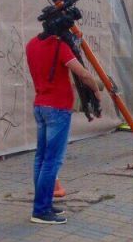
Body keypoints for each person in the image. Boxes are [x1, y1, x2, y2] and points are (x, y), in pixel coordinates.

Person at [25, 24, 101, 225]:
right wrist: (96, 90)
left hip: (40, 105)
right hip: (58, 108)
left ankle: (44, 204)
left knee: (41, 158)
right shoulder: (59, 47)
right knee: (52, 161)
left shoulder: (31, 44)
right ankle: (41, 210)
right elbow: (82, 74)